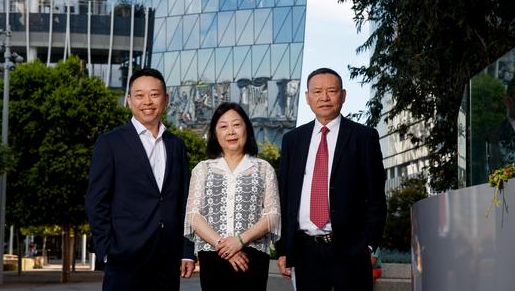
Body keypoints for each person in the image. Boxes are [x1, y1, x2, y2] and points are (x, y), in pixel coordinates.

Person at [277, 67, 387, 291]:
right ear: (307, 97)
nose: (324, 97)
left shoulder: (363, 137)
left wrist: (368, 245)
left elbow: (376, 197)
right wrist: (284, 248)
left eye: (331, 91)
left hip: (350, 249)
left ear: (343, 95)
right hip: (305, 249)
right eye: (317, 92)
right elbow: (285, 196)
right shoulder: (292, 140)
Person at [85, 68, 195, 291]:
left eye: (154, 94)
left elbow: (185, 203)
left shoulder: (176, 145)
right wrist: (106, 249)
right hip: (124, 257)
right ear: (129, 100)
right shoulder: (110, 142)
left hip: (166, 258)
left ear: (166, 100)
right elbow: (96, 200)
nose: (147, 101)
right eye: (139, 95)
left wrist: (187, 251)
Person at [184, 102, 280, 291]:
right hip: (213, 256)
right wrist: (224, 246)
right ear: (215, 133)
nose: (231, 132)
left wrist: (239, 241)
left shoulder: (264, 169)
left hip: (251, 257)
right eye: (223, 126)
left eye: (237, 125)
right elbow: (194, 216)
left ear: (246, 129)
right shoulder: (202, 169)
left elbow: (272, 215)